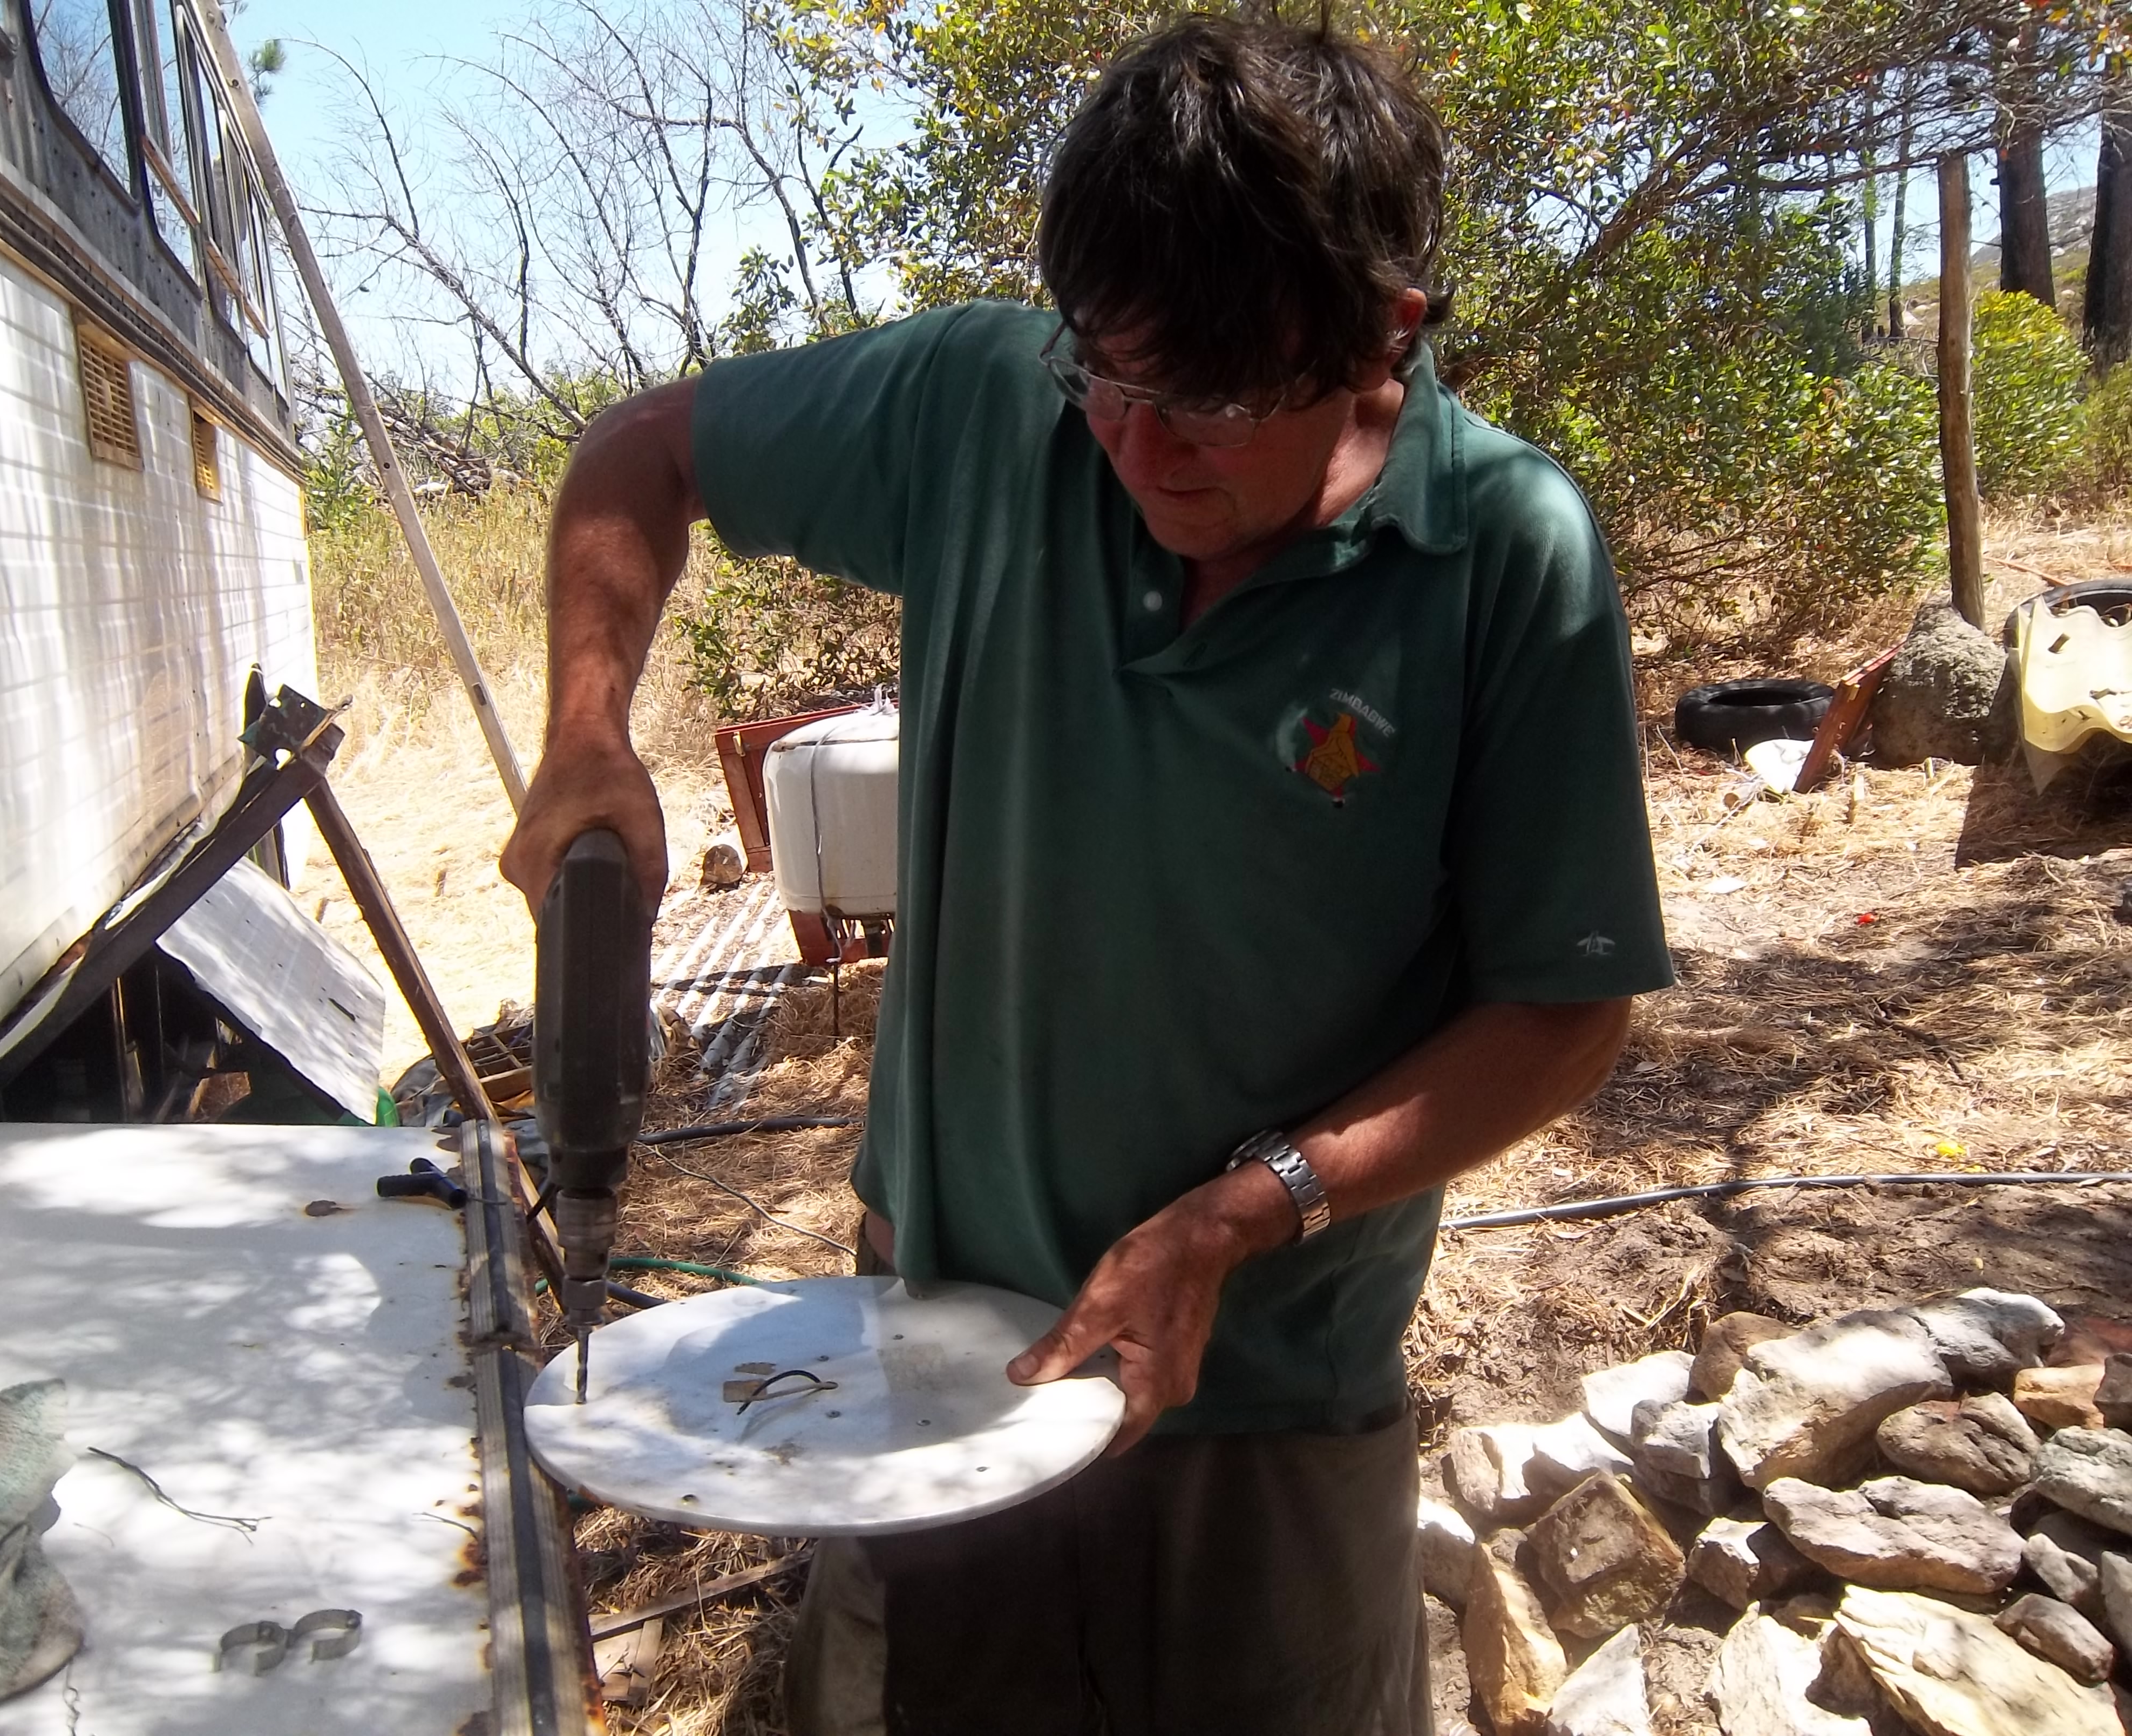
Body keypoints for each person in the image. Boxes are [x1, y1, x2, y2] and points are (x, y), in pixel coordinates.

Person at [501, 12, 1672, 1734]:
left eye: (1210, 400)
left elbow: (1563, 1010)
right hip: (929, 1364)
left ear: (1382, 335)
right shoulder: (986, 408)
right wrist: (587, 731)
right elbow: (641, 453)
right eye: (1105, 377)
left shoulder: (1504, 552)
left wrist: (1243, 1213)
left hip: (1268, 1407)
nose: (1137, 447)